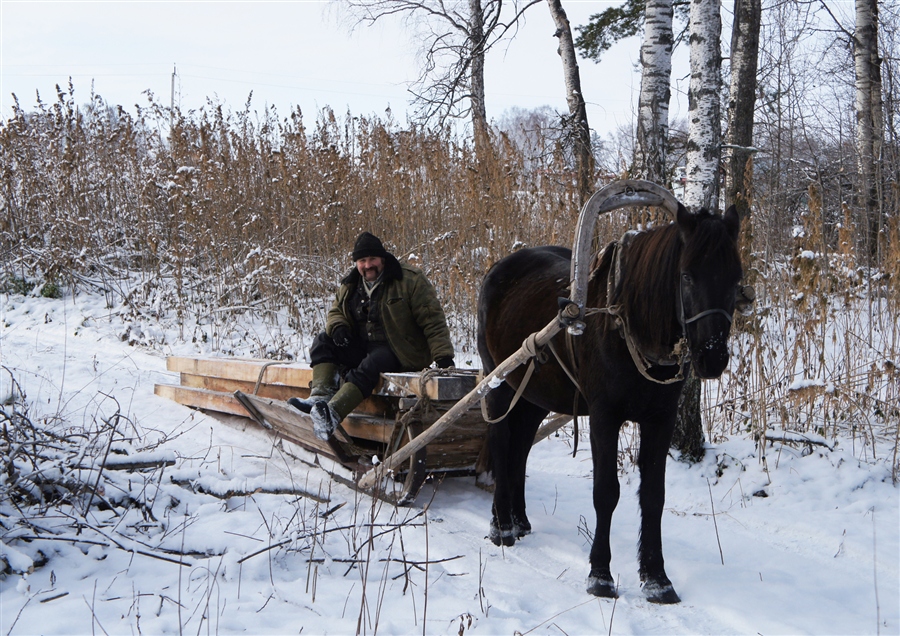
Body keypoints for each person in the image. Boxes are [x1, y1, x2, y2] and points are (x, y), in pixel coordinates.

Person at [290, 231, 455, 440]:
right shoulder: (351, 284)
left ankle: (333, 414)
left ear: (382, 259)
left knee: (372, 363)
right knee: (324, 340)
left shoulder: (409, 280)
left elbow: (433, 320)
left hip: (401, 351)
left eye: (372, 259)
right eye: (362, 261)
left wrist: (443, 357)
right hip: (364, 347)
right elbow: (335, 312)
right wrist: (339, 327)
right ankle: (319, 397)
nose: (368, 265)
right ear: (356, 263)